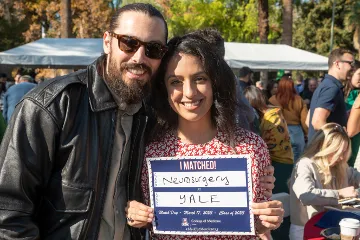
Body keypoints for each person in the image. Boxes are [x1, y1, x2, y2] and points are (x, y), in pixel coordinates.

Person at [0, 3, 276, 240]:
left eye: (153, 49)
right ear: (107, 41)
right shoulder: (53, 105)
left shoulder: (151, 114)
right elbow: (8, 209)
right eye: (129, 43)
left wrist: (252, 183)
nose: (139, 57)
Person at [125, 33, 284, 239]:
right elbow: (150, 221)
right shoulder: (149, 151)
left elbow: (256, 226)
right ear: (163, 88)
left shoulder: (250, 147)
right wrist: (132, 213)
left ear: (215, 82)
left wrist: (268, 220)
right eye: (176, 81)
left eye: (200, 78)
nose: (189, 92)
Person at [289, 123, 360, 240]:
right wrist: (339, 193)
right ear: (324, 148)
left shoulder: (339, 165)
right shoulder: (305, 164)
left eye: (344, 152)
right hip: (306, 231)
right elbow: (306, 195)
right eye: (338, 152)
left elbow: (354, 175)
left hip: (332, 226)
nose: (342, 157)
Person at [244, 85, 293, 194]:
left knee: (279, 199)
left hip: (280, 164)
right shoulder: (273, 113)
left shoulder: (271, 119)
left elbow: (266, 146)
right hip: (282, 162)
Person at [307, 48, 354, 141]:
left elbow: (308, 120)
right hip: (324, 153)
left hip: (317, 151)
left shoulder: (325, 85)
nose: (353, 68)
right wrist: (337, 141)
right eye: (350, 63)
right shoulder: (331, 88)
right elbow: (317, 122)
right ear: (337, 64)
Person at [269, 77, 308, 162]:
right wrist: (306, 133)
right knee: (299, 160)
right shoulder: (299, 99)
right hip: (297, 132)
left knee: (282, 158)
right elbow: (304, 119)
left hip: (279, 130)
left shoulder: (272, 100)